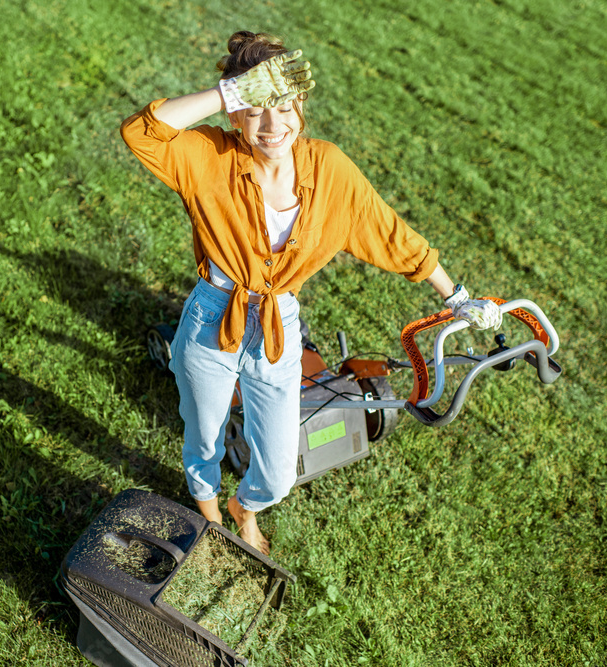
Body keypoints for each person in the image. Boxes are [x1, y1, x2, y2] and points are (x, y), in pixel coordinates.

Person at [120, 31, 500, 555]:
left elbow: (387, 231)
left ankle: (246, 507)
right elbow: (143, 133)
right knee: (203, 438)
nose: (271, 126)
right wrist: (233, 90)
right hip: (212, 316)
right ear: (234, 116)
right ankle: (210, 524)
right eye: (254, 111)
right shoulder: (208, 156)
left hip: (280, 325)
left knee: (276, 472)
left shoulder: (329, 168)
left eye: (283, 108)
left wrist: (456, 296)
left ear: (300, 106)